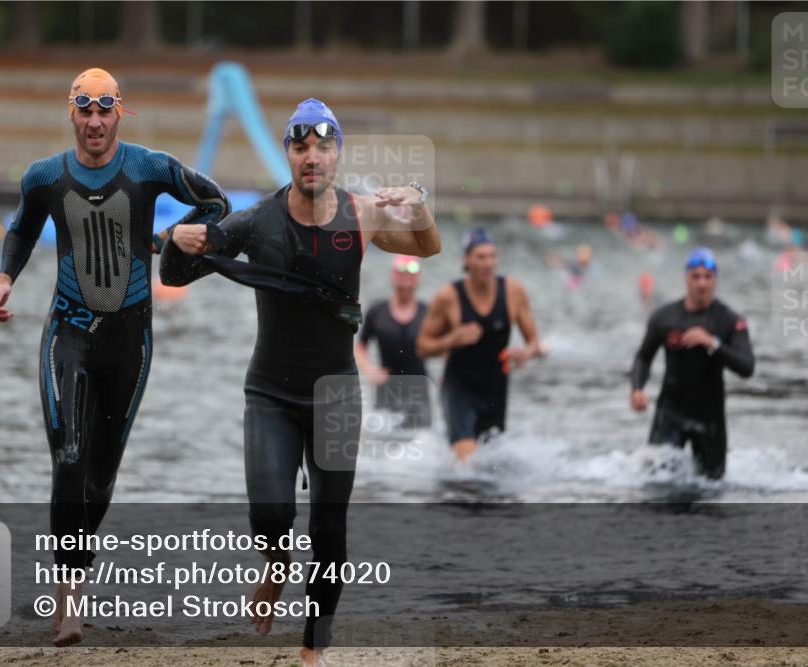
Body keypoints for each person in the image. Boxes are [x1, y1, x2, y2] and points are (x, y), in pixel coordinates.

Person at [159, 98, 440, 667]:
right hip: (270, 392)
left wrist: (419, 203)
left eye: (323, 146)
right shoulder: (257, 220)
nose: (312, 156)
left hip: (336, 392)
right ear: (288, 153)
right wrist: (176, 241)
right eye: (300, 146)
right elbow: (175, 274)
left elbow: (427, 246)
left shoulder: (362, 214)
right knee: (269, 517)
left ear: (337, 153)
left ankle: (313, 650)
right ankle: (276, 563)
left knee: (329, 529)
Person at [0, 68, 229, 646]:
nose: (94, 122)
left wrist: (169, 241)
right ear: (71, 113)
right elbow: (22, 232)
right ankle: (69, 600)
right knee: (69, 457)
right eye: (85, 110)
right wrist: (4, 279)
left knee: (99, 479)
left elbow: (216, 204)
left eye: (104, 110)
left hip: (130, 342)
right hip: (67, 334)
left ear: (119, 112)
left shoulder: (150, 168)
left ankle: (74, 577)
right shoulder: (44, 177)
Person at [416, 229, 543, 463]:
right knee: (468, 461)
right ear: (466, 260)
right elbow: (422, 347)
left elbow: (535, 343)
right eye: (481, 256)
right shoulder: (448, 297)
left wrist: (525, 353)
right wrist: (451, 339)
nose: (488, 263)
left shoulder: (513, 291)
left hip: (495, 388)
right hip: (459, 388)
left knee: (489, 465)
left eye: (492, 256)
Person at [630, 247, 755, 479]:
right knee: (656, 483)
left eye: (707, 277)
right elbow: (644, 357)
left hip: (710, 419)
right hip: (669, 414)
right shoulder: (664, 317)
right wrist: (637, 389)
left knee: (712, 488)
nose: (701, 283)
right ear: (686, 278)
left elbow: (747, 367)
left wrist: (712, 343)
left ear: (715, 279)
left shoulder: (729, 320)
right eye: (695, 276)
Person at [354, 254, 432, 429]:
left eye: (411, 273)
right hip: (386, 387)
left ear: (418, 278)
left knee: (422, 437)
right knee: (385, 437)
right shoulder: (377, 311)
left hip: (418, 390)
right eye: (401, 273)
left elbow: (444, 348)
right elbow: (360, 348)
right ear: (393, 275)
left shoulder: (428, 313)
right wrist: (370, 370)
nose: (406, 279)